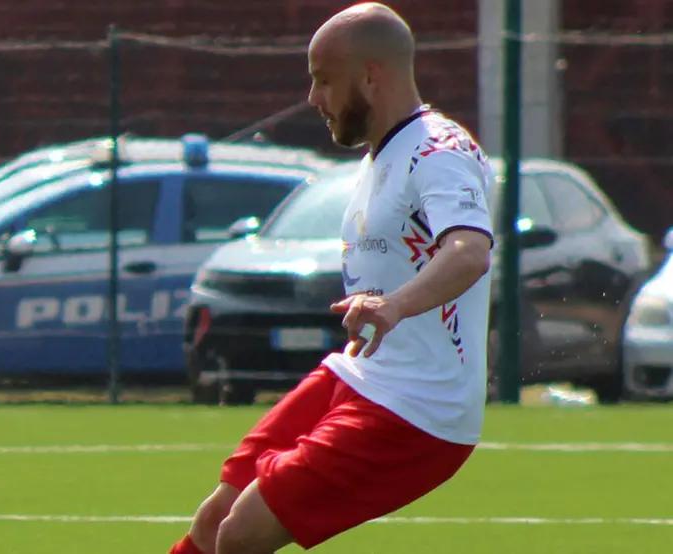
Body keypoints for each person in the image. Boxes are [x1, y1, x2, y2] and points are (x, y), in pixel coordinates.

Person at [169, 3, 494, 553]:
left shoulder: (439, 151)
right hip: (360, 374)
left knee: (241, 533)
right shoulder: (382, 154)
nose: (313, 98)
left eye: (324, 80)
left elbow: (469, 252)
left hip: (419, 407)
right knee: (215, 517)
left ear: (370, 76)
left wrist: (394, 305)